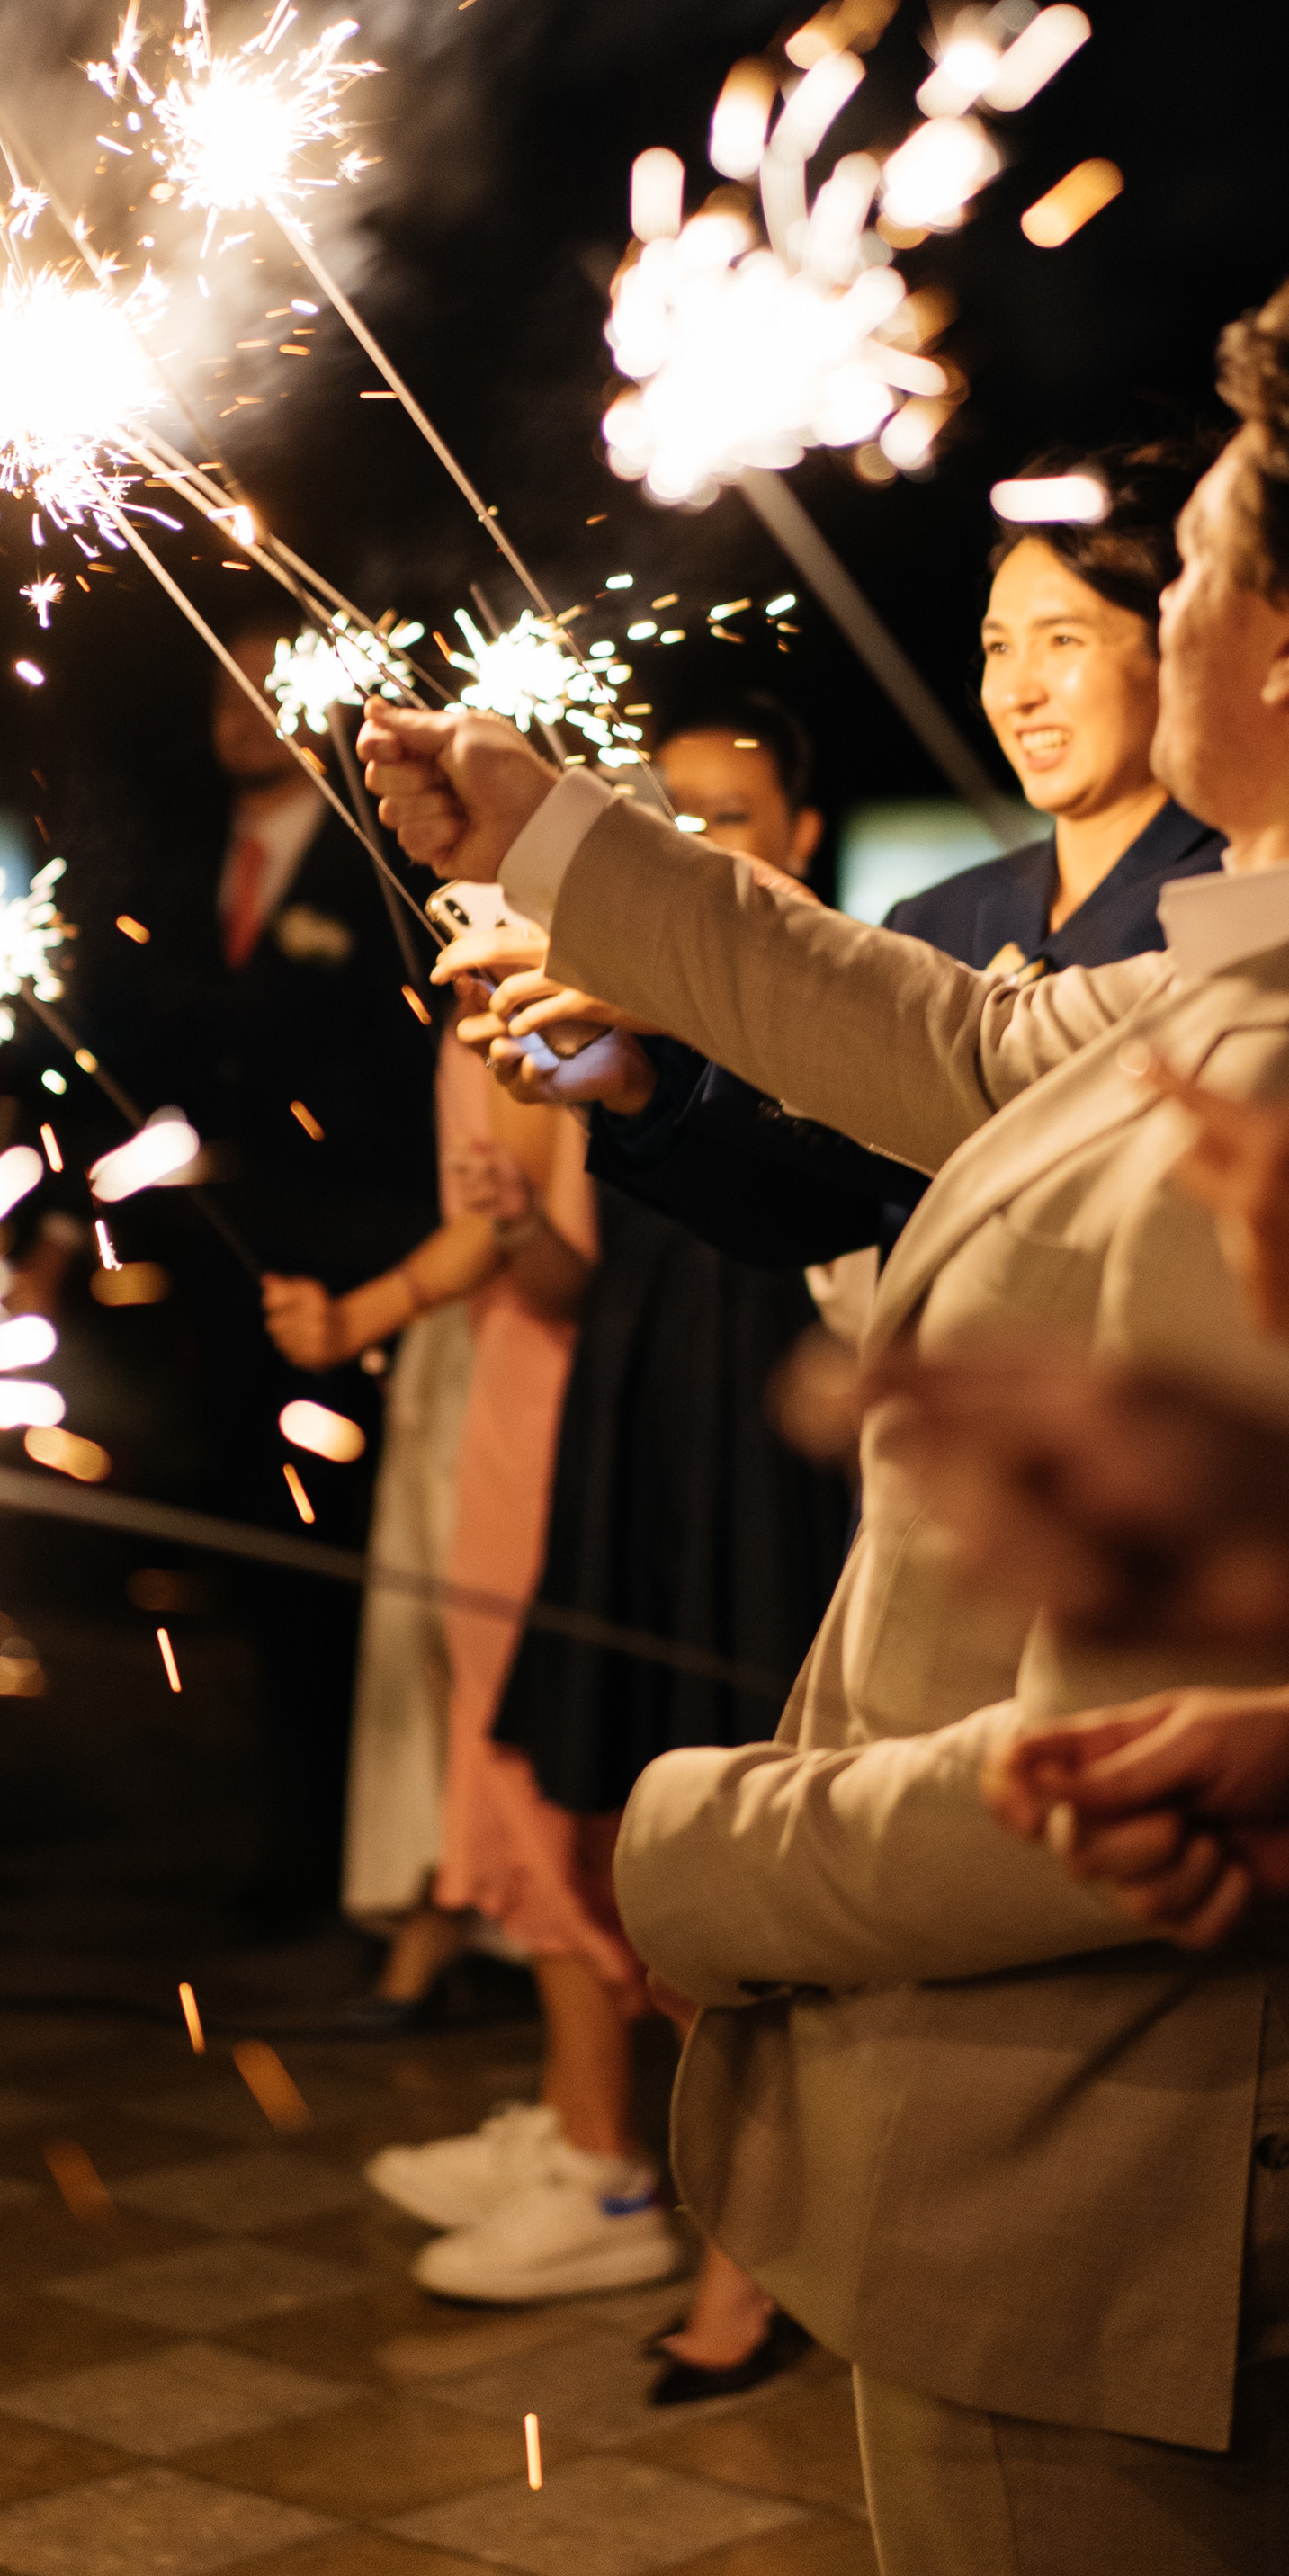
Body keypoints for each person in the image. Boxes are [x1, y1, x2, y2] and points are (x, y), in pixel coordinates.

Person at [358, 245, 1289, 2576]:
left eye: (1191, 558)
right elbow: (963, 1041)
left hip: (1121, 2169)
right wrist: (560, 835)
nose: (1149, 596)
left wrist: (692, 1852)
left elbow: (1135, 1793)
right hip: (1149, 2133)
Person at [365, 720, 854, 2398]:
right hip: (649, 1419)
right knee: (662, 1829)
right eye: (676, 817)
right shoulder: (623, 971)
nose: (705, 840)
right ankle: (664, 2182)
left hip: (783, 1427)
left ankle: (757, 2246)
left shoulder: (850, 977)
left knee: (788, 1832)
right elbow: (604, 1216)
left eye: (734, 813)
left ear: (803, 821)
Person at [491, 455, 1225, 1274]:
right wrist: (637, 1084)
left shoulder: (1227, 909)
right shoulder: (936, 918)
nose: (1019, 690)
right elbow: (837, 1208)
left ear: (1177, 646)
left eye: (1062, 639)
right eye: (998, 646)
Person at [75, 619, 439, 1927]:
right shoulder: (180, 873)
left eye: (265, 688)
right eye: (219, 685)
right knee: (259, 1563)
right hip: (222, 1283)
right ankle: (298, 1841)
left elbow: (398, 1081)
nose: (241, 710)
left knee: (364, 1564)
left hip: (363, 1275)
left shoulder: (376, 868)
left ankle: (393, 1858)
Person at [262, 983, 594, 2019]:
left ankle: (591, 2109)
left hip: (539, 1372)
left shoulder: (520, 1004)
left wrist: (361, 1313)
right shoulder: (473, 1003)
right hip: (493, 1349)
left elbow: (518, 1231)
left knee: (510, 1689)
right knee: (482, 1676)